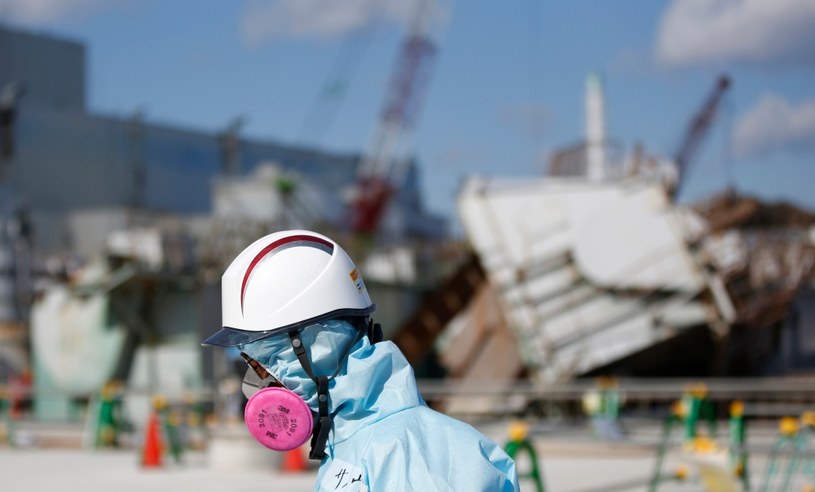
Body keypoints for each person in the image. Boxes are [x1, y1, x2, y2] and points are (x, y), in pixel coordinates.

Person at [203, 230, 519, 491]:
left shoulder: (415, 459)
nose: (259, 384)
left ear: (319, 347)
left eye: (264, 361)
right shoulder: (354, 444)